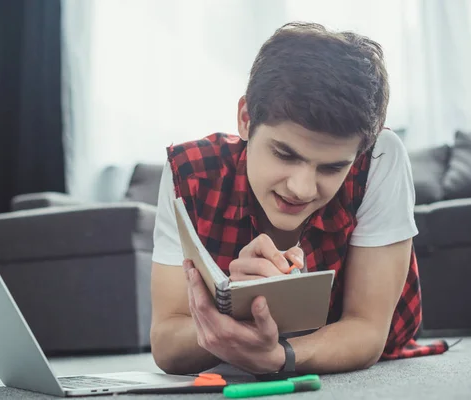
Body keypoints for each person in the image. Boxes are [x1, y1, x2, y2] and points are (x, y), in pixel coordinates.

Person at [149, 22, 448, 376]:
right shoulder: (190, 174)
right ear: (246, 119)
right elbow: (167, 345)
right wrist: (235, 306)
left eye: (333, 167)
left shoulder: (380, 157)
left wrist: (281, 356)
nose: (303, 189)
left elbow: (367, 328)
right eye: (285, 154)